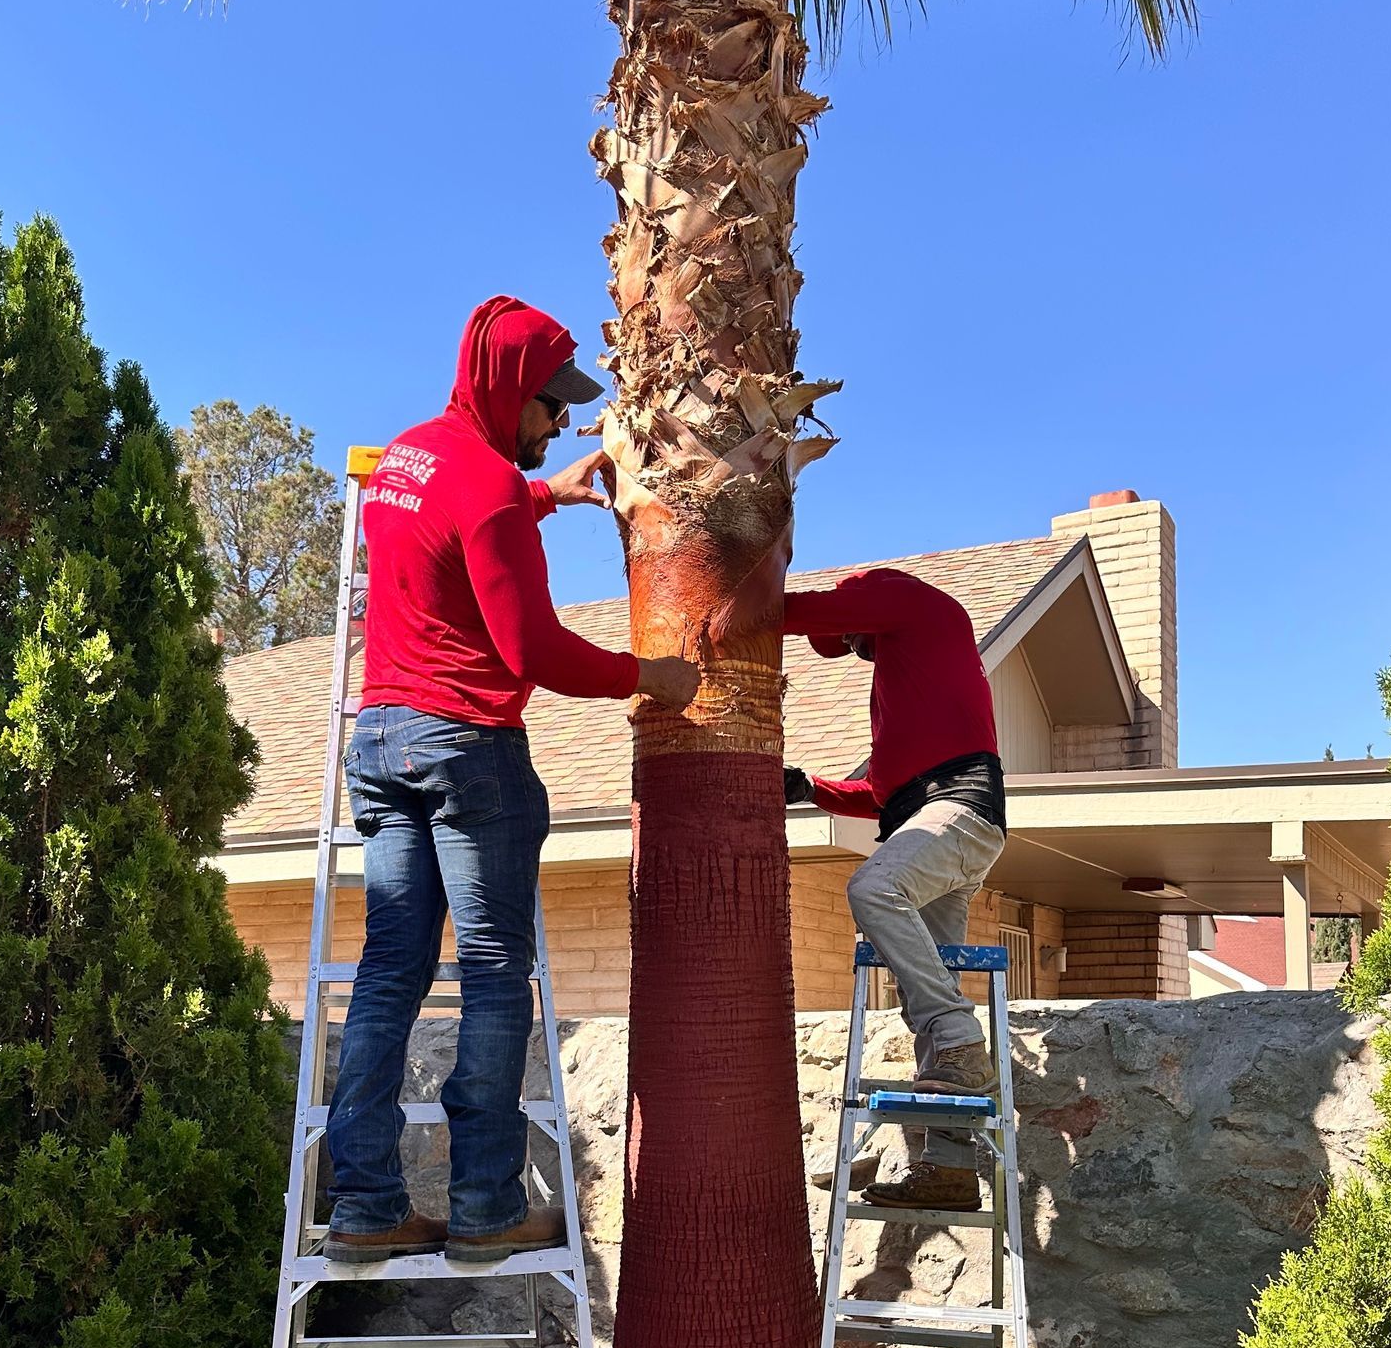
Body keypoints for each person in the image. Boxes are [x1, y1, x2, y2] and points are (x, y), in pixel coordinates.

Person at [325, 296, 699, 1263]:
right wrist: (647, 677)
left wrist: (549, 492)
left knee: (389, 972)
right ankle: (486, 1206)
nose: (560, 423)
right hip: (466, 749)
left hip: (380, 742)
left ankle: (364, 1208)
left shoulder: (406, 461)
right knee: (493, 972)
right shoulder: (488, 485)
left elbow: (458, 523)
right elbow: (530, 647)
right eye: (549, 407)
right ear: (508, 390)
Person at [782, 567, 1006, 1211]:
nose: (854, 647)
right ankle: (950, 1166)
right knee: (924, 983)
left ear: (863, 607)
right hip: (933, 818)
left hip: (958, 808)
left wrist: (742, 600)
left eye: (852, 635)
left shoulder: (915, 604)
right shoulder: (902, 691)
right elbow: (880, 795)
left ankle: (963, 1043)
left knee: (875, 889)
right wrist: (809, 787)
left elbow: (796, 611)